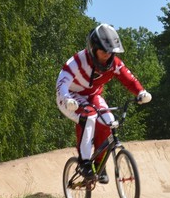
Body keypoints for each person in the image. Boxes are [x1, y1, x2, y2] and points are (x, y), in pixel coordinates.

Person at [56, 24, 151, 183]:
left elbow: (129, 79)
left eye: (111, 51)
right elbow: (62, 83)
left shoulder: (114, 64)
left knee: (110, 122)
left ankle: (100, 164)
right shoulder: (78, 61)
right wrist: (67, 99)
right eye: (103, 51)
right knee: (89, 118)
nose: (108, 55)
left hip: (92, 96)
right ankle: (85, 162)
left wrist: (141, 92)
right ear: (93, 49)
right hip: (69, 97)